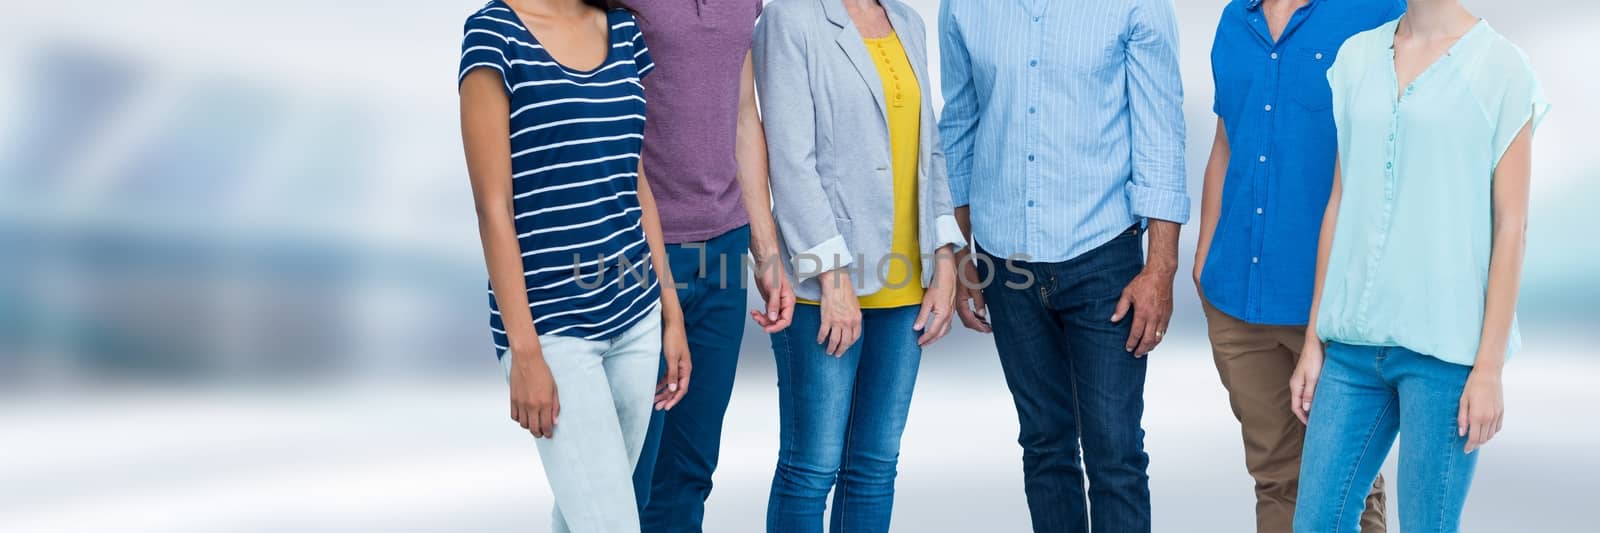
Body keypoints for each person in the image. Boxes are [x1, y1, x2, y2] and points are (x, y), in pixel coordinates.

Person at [1289, 1, 1548, 530]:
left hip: (1445, 352)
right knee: (1316, 522)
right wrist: (1314, 339)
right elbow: (1340, 201)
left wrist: (1490, 368)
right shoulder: (1356, 57)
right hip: (1353, 348)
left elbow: (1512, 227)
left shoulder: (1502, 69)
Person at [938, 0, 1189, 531]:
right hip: (1007, 263)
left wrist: (1160, 267)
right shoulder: (962, 6)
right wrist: (962, 252)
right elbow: (959, 122)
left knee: (1115, 451)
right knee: (1044, 444)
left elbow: (1161, 131)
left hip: (1103, 257)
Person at [458, 1, 694, 531]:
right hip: (552, 331)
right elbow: (492, 208)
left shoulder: (624, 29)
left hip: (635, 317)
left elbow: (636, 183)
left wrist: (669, 311)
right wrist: (525, 352)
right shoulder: (494, 33)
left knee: (584, 516)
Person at [754, 0, 966, 530]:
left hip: (903, 285)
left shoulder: (908, 21)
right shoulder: (789, 18)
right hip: (821, 290)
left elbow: (930, 150)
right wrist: (834, 275)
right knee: (811, 467)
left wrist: (945, 257)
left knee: (875, 467)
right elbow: (789, 159)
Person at [1195, 1, 1403, 531]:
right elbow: (1226, 141)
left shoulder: (1379, 14)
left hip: (1335, 309)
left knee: (1349, 486)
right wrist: (1203, 257)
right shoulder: (1234, 20)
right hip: (1238, 303)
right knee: (1277, 477)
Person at [613, 1, 797, 530]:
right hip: (638, 250)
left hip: (722, 249)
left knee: (691, 469)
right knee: (629, 471)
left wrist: (765, 250)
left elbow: (743, 111)